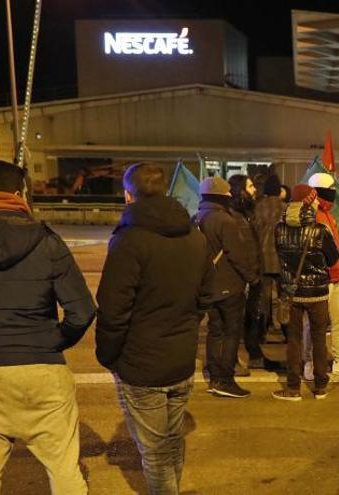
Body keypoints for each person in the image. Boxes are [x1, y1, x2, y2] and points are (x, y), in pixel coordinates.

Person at [96, 162, 213, 495]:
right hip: (180, 358)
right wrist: (187, 326)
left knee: (156, 453)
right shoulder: (194, 235)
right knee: (170, 442)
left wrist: (108, 356)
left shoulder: (129, 240)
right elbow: (206, 296)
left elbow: (113, 309)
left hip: (141, 363)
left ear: (127, 195)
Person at [0, 160, 96, 494]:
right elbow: (82, 311)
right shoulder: (47, 242)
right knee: (64, 471)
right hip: (40, 367)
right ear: (20, 194)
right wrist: (52, 342)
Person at [272, 185, 339, 401]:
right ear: (310, 202)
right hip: (318, 293)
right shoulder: (320, 230)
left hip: (291, 293)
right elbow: (333, 259)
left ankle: (292, 388)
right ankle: (320, 386)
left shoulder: (279, 229)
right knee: (319, 339)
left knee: (293, 340)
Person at [195, 176, 260, 398]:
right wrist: (252, 278)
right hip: (229, 285)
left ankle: (214, 375)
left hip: (207, 285)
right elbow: (237, 255)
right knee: (231, 332)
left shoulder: (198, 217)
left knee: (215, 330)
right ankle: (224, 379)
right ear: (222, 196)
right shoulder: (225, 220)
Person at [305, 173, 339, 377]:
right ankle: (309, 362)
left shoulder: (329, 214)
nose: (334, 193)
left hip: (337, 277)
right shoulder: (310, 215)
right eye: (330, 189)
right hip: (322, 278)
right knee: (312, 323)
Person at [250, 174, 286, 370]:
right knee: (284, 300)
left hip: (262, 259)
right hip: (281, 260)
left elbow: (253, 230)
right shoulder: (285, 207)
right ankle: (287, 332)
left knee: (261, 302)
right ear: (279, 190)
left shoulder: (258, 206)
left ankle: (260, 333)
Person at [228, 174, 262, 377]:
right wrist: (251, 276)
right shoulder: (234, 216)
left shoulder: (246, 213)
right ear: (240, 190)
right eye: (250, 186)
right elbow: (239, 251)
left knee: (247, 319)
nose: (254, 190)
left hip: (250, 276)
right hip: (241, 278)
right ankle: (230, 362)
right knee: (233, 323)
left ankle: (248, 355)